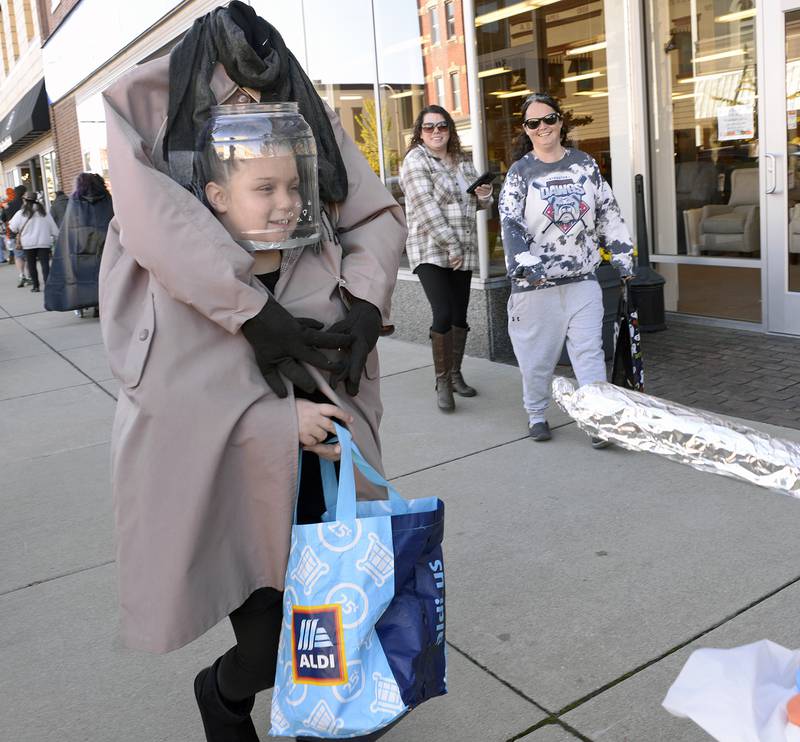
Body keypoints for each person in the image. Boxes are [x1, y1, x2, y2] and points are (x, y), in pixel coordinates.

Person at [97, 4, 405, 742]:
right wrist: (249, 324)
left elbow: (371, 216)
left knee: (340, 607)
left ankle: (337, 716)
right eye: (235, 101)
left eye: (288, 186)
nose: (255, 120)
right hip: (233, 463)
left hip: (321, 448)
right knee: (267, 643)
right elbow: (173, 397)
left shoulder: (308, 123)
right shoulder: (157, 271)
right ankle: (223, 693)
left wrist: (364, 299)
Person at [498, 92, 633, 446]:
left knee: (589, 354)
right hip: (536, 286)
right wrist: (524, 263)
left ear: (560, 122)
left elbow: (607, 211)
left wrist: (621, 254)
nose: (542, 127)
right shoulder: (520, 173)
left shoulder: (585, 165)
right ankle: (537, 413)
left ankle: (596, 421)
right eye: (533, 122)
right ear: (526, 130)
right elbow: (510, 223)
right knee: (537, 358)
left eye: (549, 119)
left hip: (582, 280)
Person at [399, 104, 493, 412]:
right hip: (431, 247)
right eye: (429, 127)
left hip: (461, 249)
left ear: (449, 130)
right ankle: (442, 381)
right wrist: (451, 244)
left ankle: (455, 374)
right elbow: (425, 207)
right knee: (442, 311)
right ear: (420, 133)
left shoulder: (463, 162)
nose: (436, 132)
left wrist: (484, 196)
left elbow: (471, 206)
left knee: (460, 315)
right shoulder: (415, 160)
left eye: (442, 126)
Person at [45, 173, 114, 318]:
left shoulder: (76, 200)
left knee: (82, 276)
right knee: (102, 275)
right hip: (104, 243)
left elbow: (70, 224)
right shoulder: (107, 198)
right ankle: (99, 305)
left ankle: (84, 304)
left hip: (81, 245)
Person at [7, 191, 58, 293]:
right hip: (44, 242)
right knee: (45, 265)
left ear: (25, 201)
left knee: (31, 265)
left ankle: (36, 286)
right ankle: (48, 285)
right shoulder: (44, 213)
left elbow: (12, 228)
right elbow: (54, 230)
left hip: (28, 244)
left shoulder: (20, 213)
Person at [1, 185, 30, 286]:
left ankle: (22, 275)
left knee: (18, 256)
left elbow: (3, 218)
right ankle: (30, 276)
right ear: (23, 193)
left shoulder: (8, 204)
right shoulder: (26, 203)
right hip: (27, 233)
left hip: (14, 234)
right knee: (28, 256)